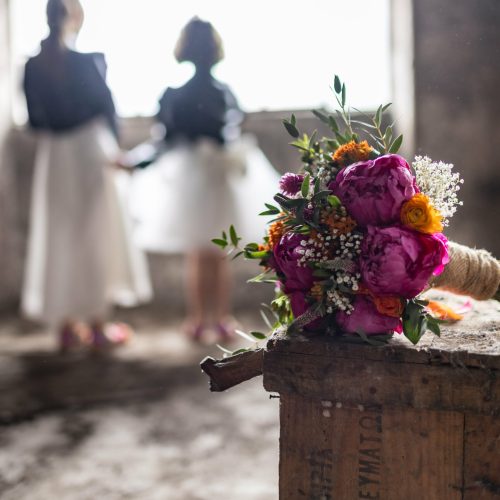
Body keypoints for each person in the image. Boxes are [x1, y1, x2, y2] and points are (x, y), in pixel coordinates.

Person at [128, 17, 280, 342]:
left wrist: (135, 162)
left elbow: (163, 140)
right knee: (218, 253)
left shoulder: (174, 95)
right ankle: (219, 318)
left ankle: (199, 320)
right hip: (215, 177)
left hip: (193, 179)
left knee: (198, 254)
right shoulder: (224, 92)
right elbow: (230, 129)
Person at [22, 0, 152, 351]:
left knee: (60, 233)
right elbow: (107, 109)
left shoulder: (32, 65)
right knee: (97, 232)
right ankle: (97, 325)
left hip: (56, 156)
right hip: (91, 152)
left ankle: (66, 325)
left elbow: (35, 121)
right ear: (76, 17)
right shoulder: (88, 60)